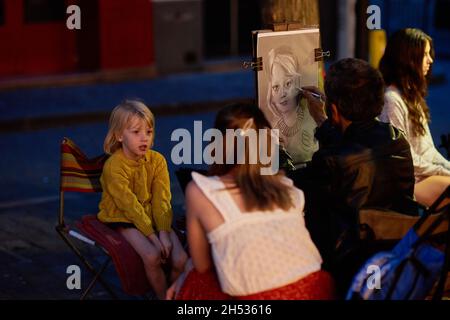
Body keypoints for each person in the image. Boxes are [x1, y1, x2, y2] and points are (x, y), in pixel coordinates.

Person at [167, 103, 335, 300]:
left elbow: (202, 265)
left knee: (195, 277)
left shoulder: (202, 190)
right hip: (317, 288)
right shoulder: (286, 187)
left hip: (263, 298)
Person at [294, 58, 416, 296]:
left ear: (335, 109)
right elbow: (354, 145)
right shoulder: (397, 140)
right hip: (396, 252)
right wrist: (324, 121)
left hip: (349, 265)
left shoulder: (332, 162)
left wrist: (275, 153)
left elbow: (293, 184)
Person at [97, 100, 187, 300]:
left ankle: (172, 294)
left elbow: (162, 200)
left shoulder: (158, 161)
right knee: (152, 255)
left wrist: (163, 232)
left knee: (181, 259)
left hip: (151, 214)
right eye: (136, 132)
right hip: (123, 216)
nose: (144, 138)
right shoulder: (114, 166)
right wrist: (153, 238)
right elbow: (129, 206)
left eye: (148, 131)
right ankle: (162, 296)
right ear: (120, 135)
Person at [379, 28, 450, 209]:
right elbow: (404, 158)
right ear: (409, 58)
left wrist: (447, 166)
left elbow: (428, 150)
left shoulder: (412, 97)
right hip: (409, 182)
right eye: (425, 54)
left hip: (425, 175)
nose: (430, 60)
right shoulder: (392, 100)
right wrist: (443, 171)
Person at [265, 45, 319, 167]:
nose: (282, 93)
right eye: (276, 87)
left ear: (298, 83)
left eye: (288, 83)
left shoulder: (312, 119)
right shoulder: (270, 127)